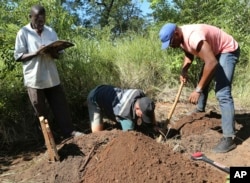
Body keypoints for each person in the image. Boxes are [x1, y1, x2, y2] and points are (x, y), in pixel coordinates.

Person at [159, 23, 240, 153]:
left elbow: (212, 62)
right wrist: (184, 70)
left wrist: (198, 89)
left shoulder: (193, 37)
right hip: (214, 52)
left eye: (171, 42)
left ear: (176, 34)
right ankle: (200, 108)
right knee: (203, 78)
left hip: (227, 50)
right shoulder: (181, 38)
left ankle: (229, 138)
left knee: (222, 93)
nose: (171, 46)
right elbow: (189, 54)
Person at [14, 5, 82, 138]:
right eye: (37, 21)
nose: (40, 24)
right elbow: (19, 56)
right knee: (41, 113)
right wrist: (36, 52)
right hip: (35, 79)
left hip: (52, 77)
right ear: (30, 17)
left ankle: (69, 132)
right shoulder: (23, 32)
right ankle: (49, 140)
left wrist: (52, 51)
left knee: (61, 107)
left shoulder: (50, 31)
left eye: (42, 21)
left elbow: (59, 55)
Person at [87, 85, 156, 132]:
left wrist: (154, 125)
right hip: (95, 97)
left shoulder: (140, 94)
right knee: (97, 133)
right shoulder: (126, 115)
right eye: (142, 115)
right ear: (137, 108)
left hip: (106, 90)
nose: (142, 117)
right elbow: (129, 137)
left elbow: (149, 110)